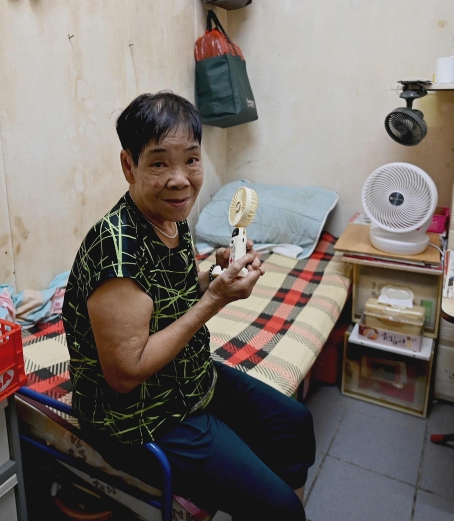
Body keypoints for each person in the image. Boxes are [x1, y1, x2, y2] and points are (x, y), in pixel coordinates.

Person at [62, 92, 314, 520]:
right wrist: (216, 300)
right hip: (139, 417)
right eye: (159, 163)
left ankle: (258, 489)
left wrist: (217, 276)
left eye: (191, 160)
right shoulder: (116, 251)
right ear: (129, 165)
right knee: (284, 511)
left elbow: (170, 295)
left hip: (189, 380)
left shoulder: (171, 218)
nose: (180, 179)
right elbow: (125, 374)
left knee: (293, 424)